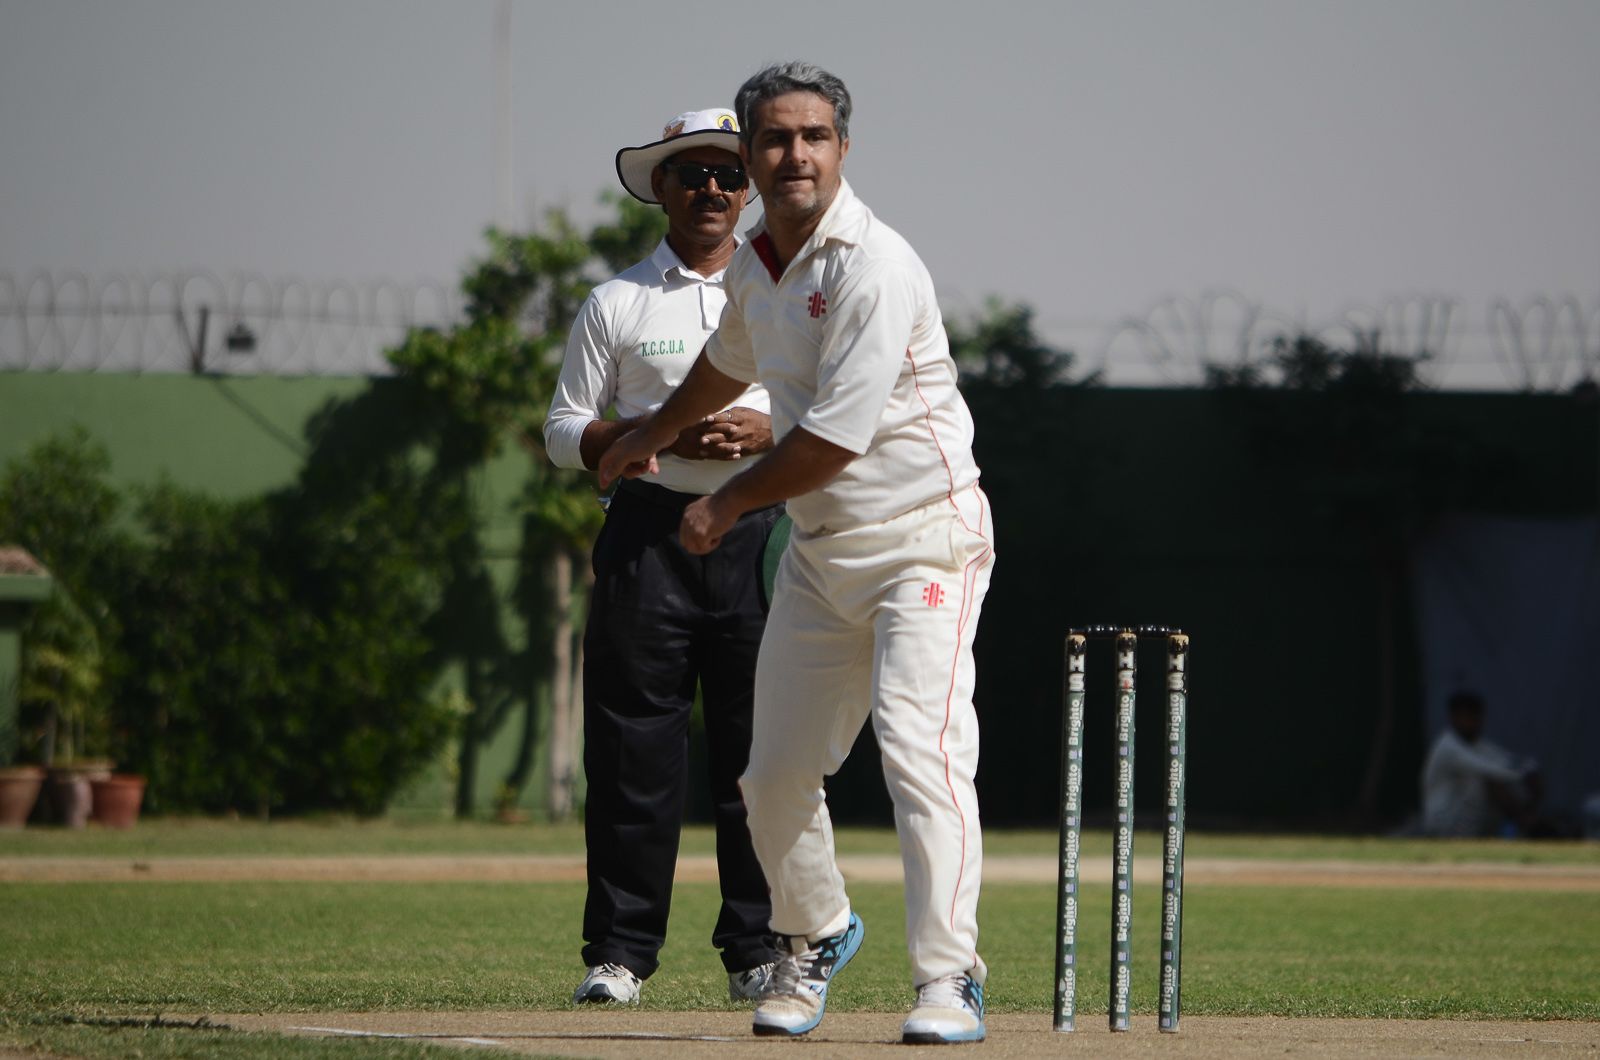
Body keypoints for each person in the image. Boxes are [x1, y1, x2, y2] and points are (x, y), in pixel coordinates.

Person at [599, 62, 995, 1045]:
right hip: (823, 551)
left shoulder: (875, 266)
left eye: (814, 136)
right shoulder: (756, 266)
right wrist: (646, 432)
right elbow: (722, 364)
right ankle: (814, 934)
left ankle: (948, 978)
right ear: (750, 155)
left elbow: (832, 440)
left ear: (843, 149)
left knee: (919, 752)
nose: (795, 155)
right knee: (769, 776)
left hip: (925, 541)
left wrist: (725, 503)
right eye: (775, 138)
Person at [544, 106, 782, 1006]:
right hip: (647, 533)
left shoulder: (788, 293)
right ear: (662, 188)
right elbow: (563, 429)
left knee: (762, 757)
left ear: (748, 189)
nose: (711, 188)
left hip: (760, 529)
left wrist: (767, 430)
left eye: (728, 173)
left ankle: (758, 952)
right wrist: (650, 434)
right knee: (631, 754)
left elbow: (844, 408)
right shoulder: (618, 301)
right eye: (692, 173)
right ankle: (619, 954)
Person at [1421, 690, 1543, 837]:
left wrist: (1531, 770)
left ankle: (1528, 824)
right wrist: (1523, 772)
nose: (1473, 722)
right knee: (1488, 780)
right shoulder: (1447, 746)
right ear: (1453, 718)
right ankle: (1528, 826)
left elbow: (1509, 761)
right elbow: (1488, 768)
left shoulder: (1480, 745)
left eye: (1476, 717)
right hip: (1442, 823)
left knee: (1514, 779)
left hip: (1467, 821)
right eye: (1467, 717)